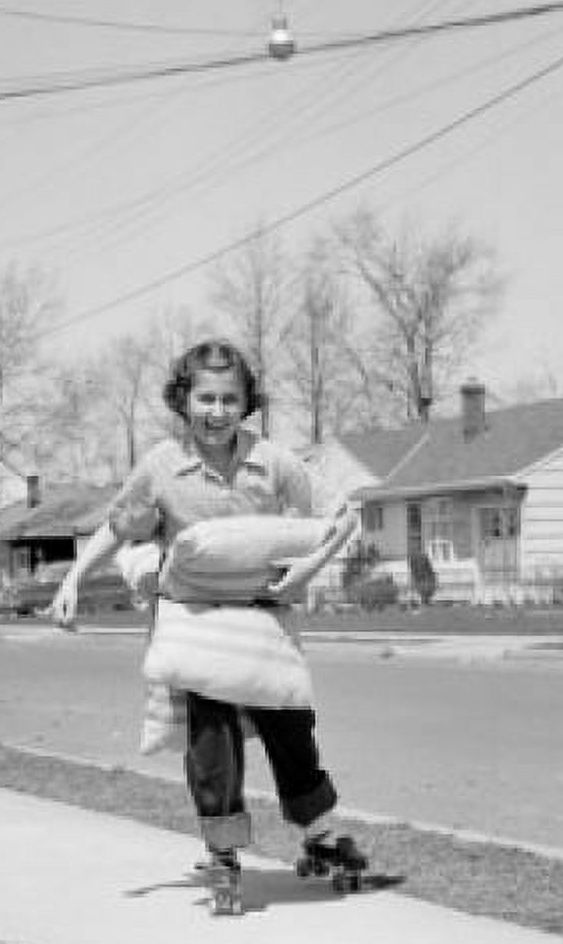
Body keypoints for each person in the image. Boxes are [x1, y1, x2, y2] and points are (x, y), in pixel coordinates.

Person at [49, 337, 360, 904]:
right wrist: (72, 581)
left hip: (263, 618)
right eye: (206, 399)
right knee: (212, 742)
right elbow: (117, 527)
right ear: (183, 401)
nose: (217, 412)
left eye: (230, 400)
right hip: (196, 624)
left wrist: (307, 572)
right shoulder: (163, 467)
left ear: (246, 405)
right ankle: (221, 852)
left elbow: (342, 516)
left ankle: (322, 835)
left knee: (290, 729)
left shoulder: (272, 461)